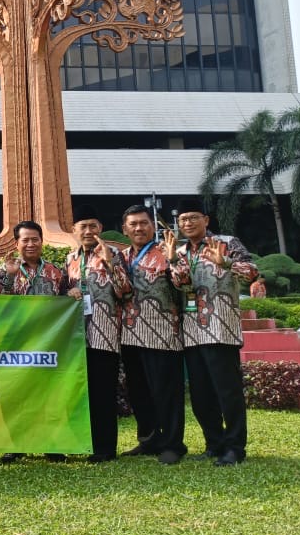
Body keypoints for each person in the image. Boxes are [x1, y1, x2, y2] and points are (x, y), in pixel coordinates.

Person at [169, 198, 258, 467]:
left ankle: (234, 447)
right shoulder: (182, 251)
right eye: (183, 220)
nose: (188, 223)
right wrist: (172, 259)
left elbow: (252, 273)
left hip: (221, 328)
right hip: (193, 331)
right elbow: (182, 285)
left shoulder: (227, 242)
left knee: (227, 392)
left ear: (206, 220)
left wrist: (227, 262)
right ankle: (214, 442)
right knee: (200, 394)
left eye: (193, 218)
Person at [0, 220, 67, 464]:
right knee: (14, 397)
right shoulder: (5, 270)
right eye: (25, 240)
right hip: (15, 346)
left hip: (48, 345)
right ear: (17, 244)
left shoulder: (56, 273)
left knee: (49, 397)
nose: (31, 244)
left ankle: (52, 444)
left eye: (35, 239)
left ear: (42, 241)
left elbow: (66, 304)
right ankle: (16, 445)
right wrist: (10, 277)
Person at [119, 205, 187, 465]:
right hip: (129, 334)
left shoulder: (167, 252)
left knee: (166, 393)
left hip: (163, 335)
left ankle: (172, 444)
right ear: (125, 229)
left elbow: (184, 283)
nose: (139, 228)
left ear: (153, 225)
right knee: (139, 393)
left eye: (144, 223)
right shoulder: (121, 257)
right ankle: (148, 440)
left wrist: (173, 260)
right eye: (133, 224)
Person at [63, 203, 132, 463]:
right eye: (83, 227)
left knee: (104, 392)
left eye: (93, 226)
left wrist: (111, 264)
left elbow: (126, 291)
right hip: (77, 336)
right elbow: (64, 292)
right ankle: (86, 443)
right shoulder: (70, 259)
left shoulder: (115, 253)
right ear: (74, 230)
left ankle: (105, 448)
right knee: (83, 393)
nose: (89, 231)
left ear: (100, 228)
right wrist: (69, 292)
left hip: (105, 334)